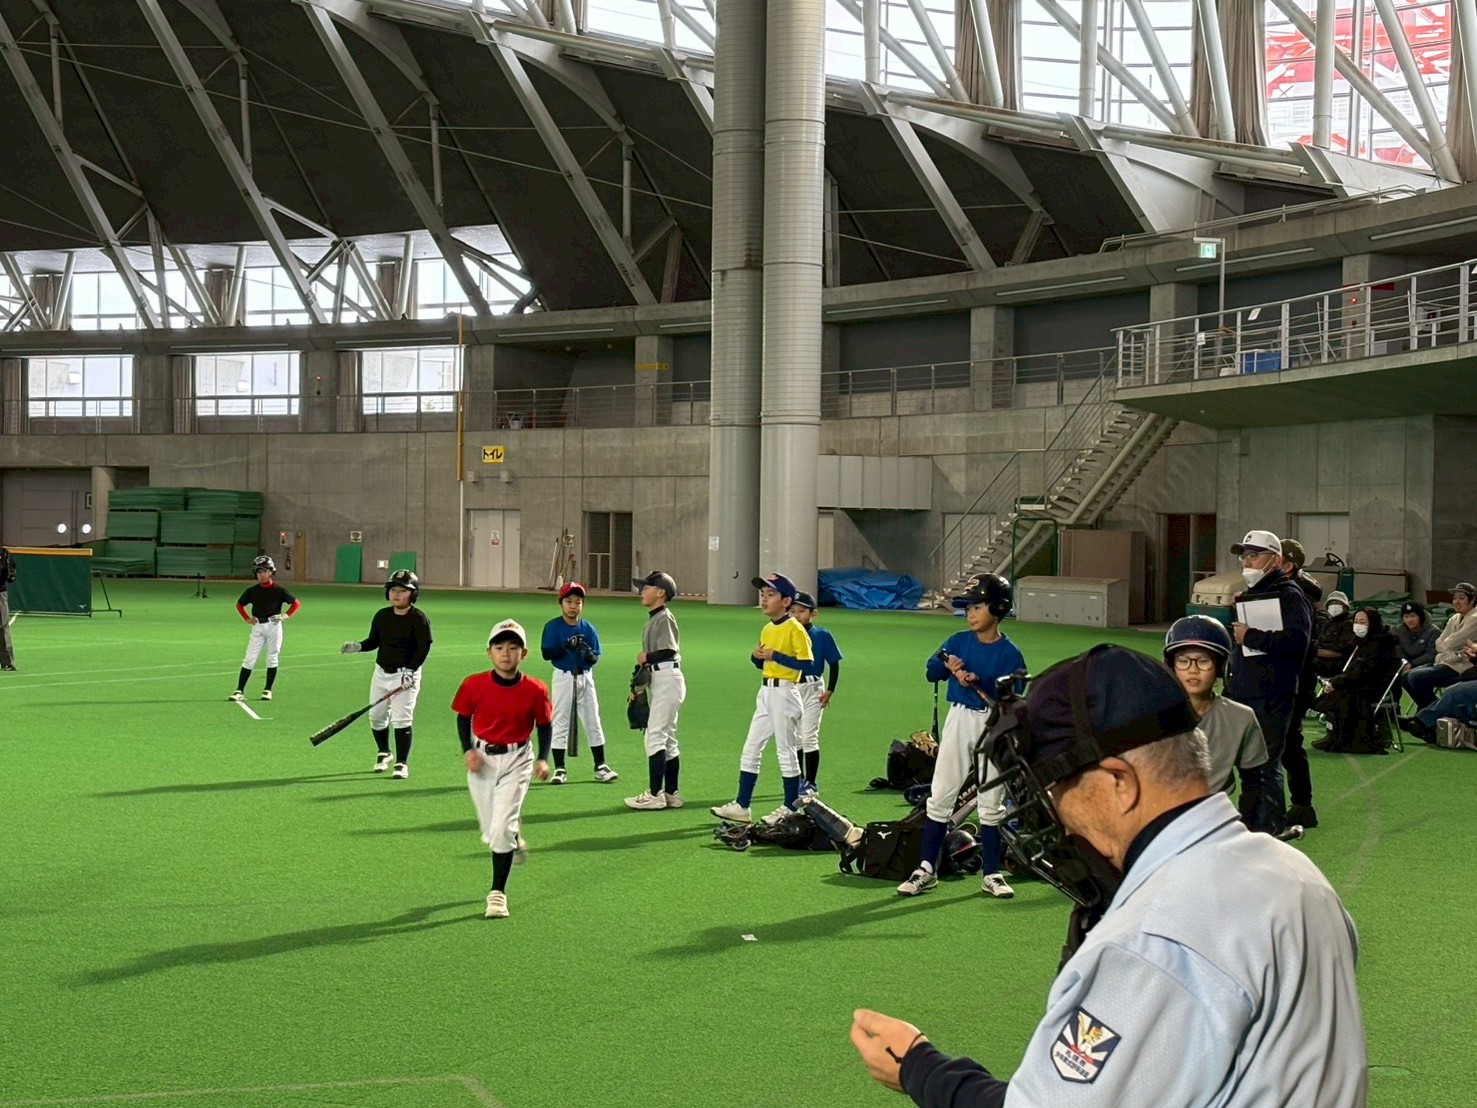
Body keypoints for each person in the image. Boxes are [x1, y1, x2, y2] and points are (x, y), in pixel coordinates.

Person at [850, 645, 1368, 1107]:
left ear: (1119, 782)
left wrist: (922, 1070)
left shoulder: (1154, 939)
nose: (1057, 819)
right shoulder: (1294, 874)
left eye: (1057, 791)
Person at [896, 573, 1026, 900]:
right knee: (941, 794)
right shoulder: (957, 641)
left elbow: (1014, 696)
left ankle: (992, 873)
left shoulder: (1010, 653)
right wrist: (949, 668)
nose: (970, 613)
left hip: (993, 724)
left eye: (977, 607)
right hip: (959, 718)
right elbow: (931, 672)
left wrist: (979, 681)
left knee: (991, 802)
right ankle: (926, 868)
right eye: (968, 608)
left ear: (998, 608)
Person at [451, 619, 552, 919]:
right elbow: (463, 717)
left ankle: (497, 894)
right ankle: (513, 836)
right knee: (490, 830)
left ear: (524, 653)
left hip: (517, 758)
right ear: (489, 652)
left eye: (513, 647)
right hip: (483, 759)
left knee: (500, 830)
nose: (506, 653)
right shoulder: (473, 684)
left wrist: (543, 759)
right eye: (499, 647)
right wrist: (468, 750)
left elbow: (545, 725)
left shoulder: (535, 689)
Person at [1225, 530, 1312, 839]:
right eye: (1244, 556)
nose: (1246, 562)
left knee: (1264, 764)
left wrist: (1250, 636)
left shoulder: (1289, 595)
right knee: (1249, 764)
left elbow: (1298, 642)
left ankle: (1269, 829)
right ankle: (1252, 825)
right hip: (1246, 690)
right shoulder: (1255, 593)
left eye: (1254, 555)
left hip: (1272, 693)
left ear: (1275, 560)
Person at [710, 573, 814, 824]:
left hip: (785, 693)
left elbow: (808, 665)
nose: (764, 599)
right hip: (766, 692)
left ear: (786, 601)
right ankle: (742, 805)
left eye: (771, 595)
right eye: (762, 594)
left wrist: (775, 655)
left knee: (785, 750)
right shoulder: (767, 628)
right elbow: (762, 663)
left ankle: (790, 807)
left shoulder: (795, 628)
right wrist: (756, 656)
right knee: (751, 747)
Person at [340, 569, 433, 779]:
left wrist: (411, 670)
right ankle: (384, 752)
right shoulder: (382, 616)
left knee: (401, 719)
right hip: (381, 673)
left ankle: (401, 763)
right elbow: (374, 641)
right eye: (393, 590)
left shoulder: (418, 618)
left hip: (406, 676)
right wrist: (358, 646)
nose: (396, 594)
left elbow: (423, 647)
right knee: (376, 716)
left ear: (413, 594)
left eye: (402, 590)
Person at [1163, 615, 1267, 800]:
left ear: (1221, 668)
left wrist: (1250, 818)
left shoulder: (1240, 717)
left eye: (1203, 661)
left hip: (1214, 812)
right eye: (1183, 660)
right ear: (1172, 667)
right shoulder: (1151, 714)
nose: (1193, 669)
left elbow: (1255, 782)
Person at [539, 581, 618, 785]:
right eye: (569, 601)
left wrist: (588, 654)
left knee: (593, 719)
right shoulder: (553, 626)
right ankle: (560, 768)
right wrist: (565, 646)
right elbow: (547, 653)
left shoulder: (588, 629)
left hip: (585, 677)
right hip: (563, 676)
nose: (573, 606)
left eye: (578, 602)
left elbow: (595, 657)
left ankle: (600, 766)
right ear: (561, 603)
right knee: (561, 719)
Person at [625, 571, 686, 810]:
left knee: (655, 736)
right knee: (667, 738)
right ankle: (671, 793)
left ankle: (654, 794)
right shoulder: (656, 617)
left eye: (647, 587)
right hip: (663, 678)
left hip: (667, 677)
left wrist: (646, 657)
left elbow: (669, 650)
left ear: (660, 593)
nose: (642, 591)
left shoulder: (664, 617)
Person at [1278, 538, 1323, 831]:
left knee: (1288, 744)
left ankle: (1302, 805)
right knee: (1289, 743)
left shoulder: (1295, 596)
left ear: (1288, 565)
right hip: (1293, 678)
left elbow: (1295, 642)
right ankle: (1301, 804)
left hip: (1294, 679)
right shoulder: (1293, 591)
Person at [1313, 608, 1400, 755]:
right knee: (1336, 691)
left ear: (1372, 623)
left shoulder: (1380, 644)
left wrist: (1335, 683)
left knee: (1341, 694)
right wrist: (1335, 682)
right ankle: (1336, 736)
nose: (1358, 625)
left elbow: (1365, 672)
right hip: (1361, 682)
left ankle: (1345, 738)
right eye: (1356, 621)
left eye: (1363, 622)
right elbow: (1353, 671)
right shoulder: (1361, 642)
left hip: (1374, 687)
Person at [228, 555, 299, 702]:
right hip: (258, 627)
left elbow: (295, 603)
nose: (261, 575)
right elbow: (239, 605)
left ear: (271, 572)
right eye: (259, 572)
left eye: (265, 571)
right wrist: (247, 618)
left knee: (272, 657)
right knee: (249, 658)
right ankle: (239, 690)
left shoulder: (279, 590)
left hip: (274, 626)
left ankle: (267, 690)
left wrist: (285, 615)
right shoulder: (252, 591)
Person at [791, 590, 842, 789]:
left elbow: (834, 663)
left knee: (808, 736)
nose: (797, 615)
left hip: (813, 688)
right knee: (795, 738)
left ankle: (811, 782)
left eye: (802, 611)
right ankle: (798, 779)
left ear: (813, 613)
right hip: (792, 687)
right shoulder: (787, 634)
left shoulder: (822, 635)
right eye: (793, 611)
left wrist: (830, 689)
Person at [1402, 582, 1477, 708]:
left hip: (1463, 667)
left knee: (1416, 677)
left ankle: (1438, 712)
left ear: (1472, 599)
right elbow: (1439, 643)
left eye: (1461, 598)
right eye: (1454, 598)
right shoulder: (1454, 618)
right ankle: (1430, 712)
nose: (1456, 602)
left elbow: (1453, 641)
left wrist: (1448, 648)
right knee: (1405, 678)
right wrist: (1450, 650)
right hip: (1446, 661)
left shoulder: (1475, 618)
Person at [1400, 645, 1477, 743]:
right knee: (1457, 692)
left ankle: (1423, 722)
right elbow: (1440, 643)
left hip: (1457, 667)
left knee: (1457, 691)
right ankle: (1436, 722)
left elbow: (1448, 643)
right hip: (1456, 666)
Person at [1313, 590, 1356, 678]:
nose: (1333, 606)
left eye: (1337, 603)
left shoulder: (1348, 624)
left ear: (1345, 606)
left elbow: (1340, 652)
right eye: (1331, 604)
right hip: (1321, 658)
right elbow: (1318, 642)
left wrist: (1315, 652)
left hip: (1336, 663)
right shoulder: (1327, 622)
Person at [1396, 601, 1439, 677]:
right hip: (1403, 664)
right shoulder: (1398, 630)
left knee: (1411, 675)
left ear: (1420, 616)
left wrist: (1412, 664)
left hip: (1426, 665)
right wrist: (1404, 664)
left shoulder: (1433, 631)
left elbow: (1431, 654)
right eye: (1406, 617)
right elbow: (1398, 650)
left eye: (1413, 616)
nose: (1409, 620)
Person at [0, 545, 16, 672]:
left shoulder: (3, 553)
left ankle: (7, 662)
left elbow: (11, 576)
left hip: (0, 592)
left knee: (3, 627)